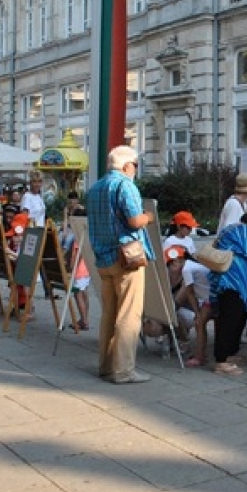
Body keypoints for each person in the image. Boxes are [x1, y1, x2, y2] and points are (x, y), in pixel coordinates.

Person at [86, 145, 154, 384]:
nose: (136, 169)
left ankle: (105, 365)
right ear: (127, 166)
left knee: (109, 313)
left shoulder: (95, 188)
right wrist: (149, 217)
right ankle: (124, 370)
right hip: (127, 257)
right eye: (135, 165)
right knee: (129, 314)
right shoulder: (125, 185)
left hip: (103, 258)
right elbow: (135, 221)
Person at [208, 206, 247, 376]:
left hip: (226, 280)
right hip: (231, 281)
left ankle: (228, 354)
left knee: (239, 316)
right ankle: (221, 361)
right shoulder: (244, 232)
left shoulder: (230, 229)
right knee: (229, 320)